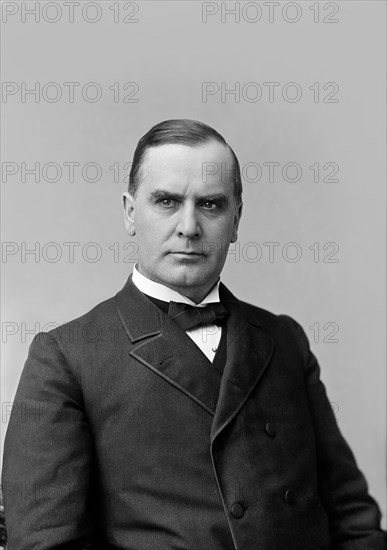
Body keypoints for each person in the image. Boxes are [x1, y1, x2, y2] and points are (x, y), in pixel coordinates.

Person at [1, 119, 385, 549]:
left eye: (211, 205)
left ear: (236, 220)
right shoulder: (66, 356)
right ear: (130, 213)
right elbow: (48, 542)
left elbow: (352, 513)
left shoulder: (284, 339)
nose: (189, 227)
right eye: (166, 201)